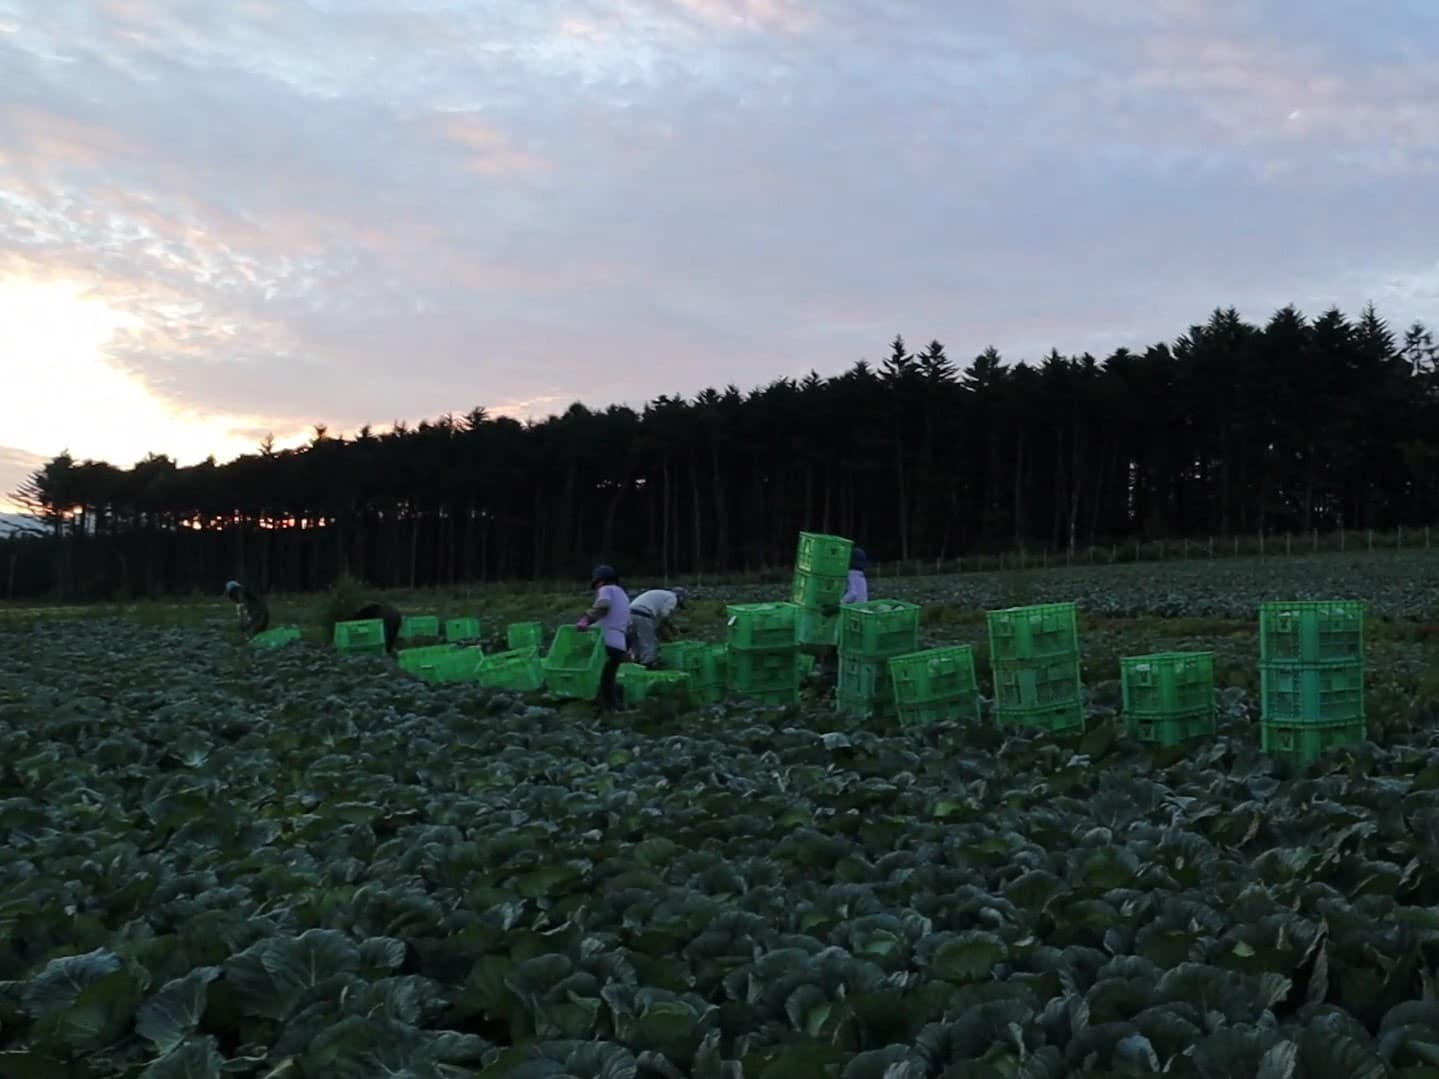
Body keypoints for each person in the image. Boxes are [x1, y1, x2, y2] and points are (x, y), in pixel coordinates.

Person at [577, 564, 630, 712]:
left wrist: (586, 620)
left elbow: (603, 606)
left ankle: (597, 707)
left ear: (600, 581)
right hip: (619, 644)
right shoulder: (622, 593)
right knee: (608, 679)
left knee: (595, 674)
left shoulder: (605, 589)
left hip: (605, 640)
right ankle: (616, 708)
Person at [628, 587, 689, 668]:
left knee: (636, 640)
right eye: (678, 605)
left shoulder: (662, 594)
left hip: (630, 613)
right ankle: (647, 664)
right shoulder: (672, 598)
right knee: (649, 641)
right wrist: (672, 629)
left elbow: (658, 622)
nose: (676, 607)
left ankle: (636, 660)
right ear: (680, 598)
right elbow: (664, 616)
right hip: (643, 613)